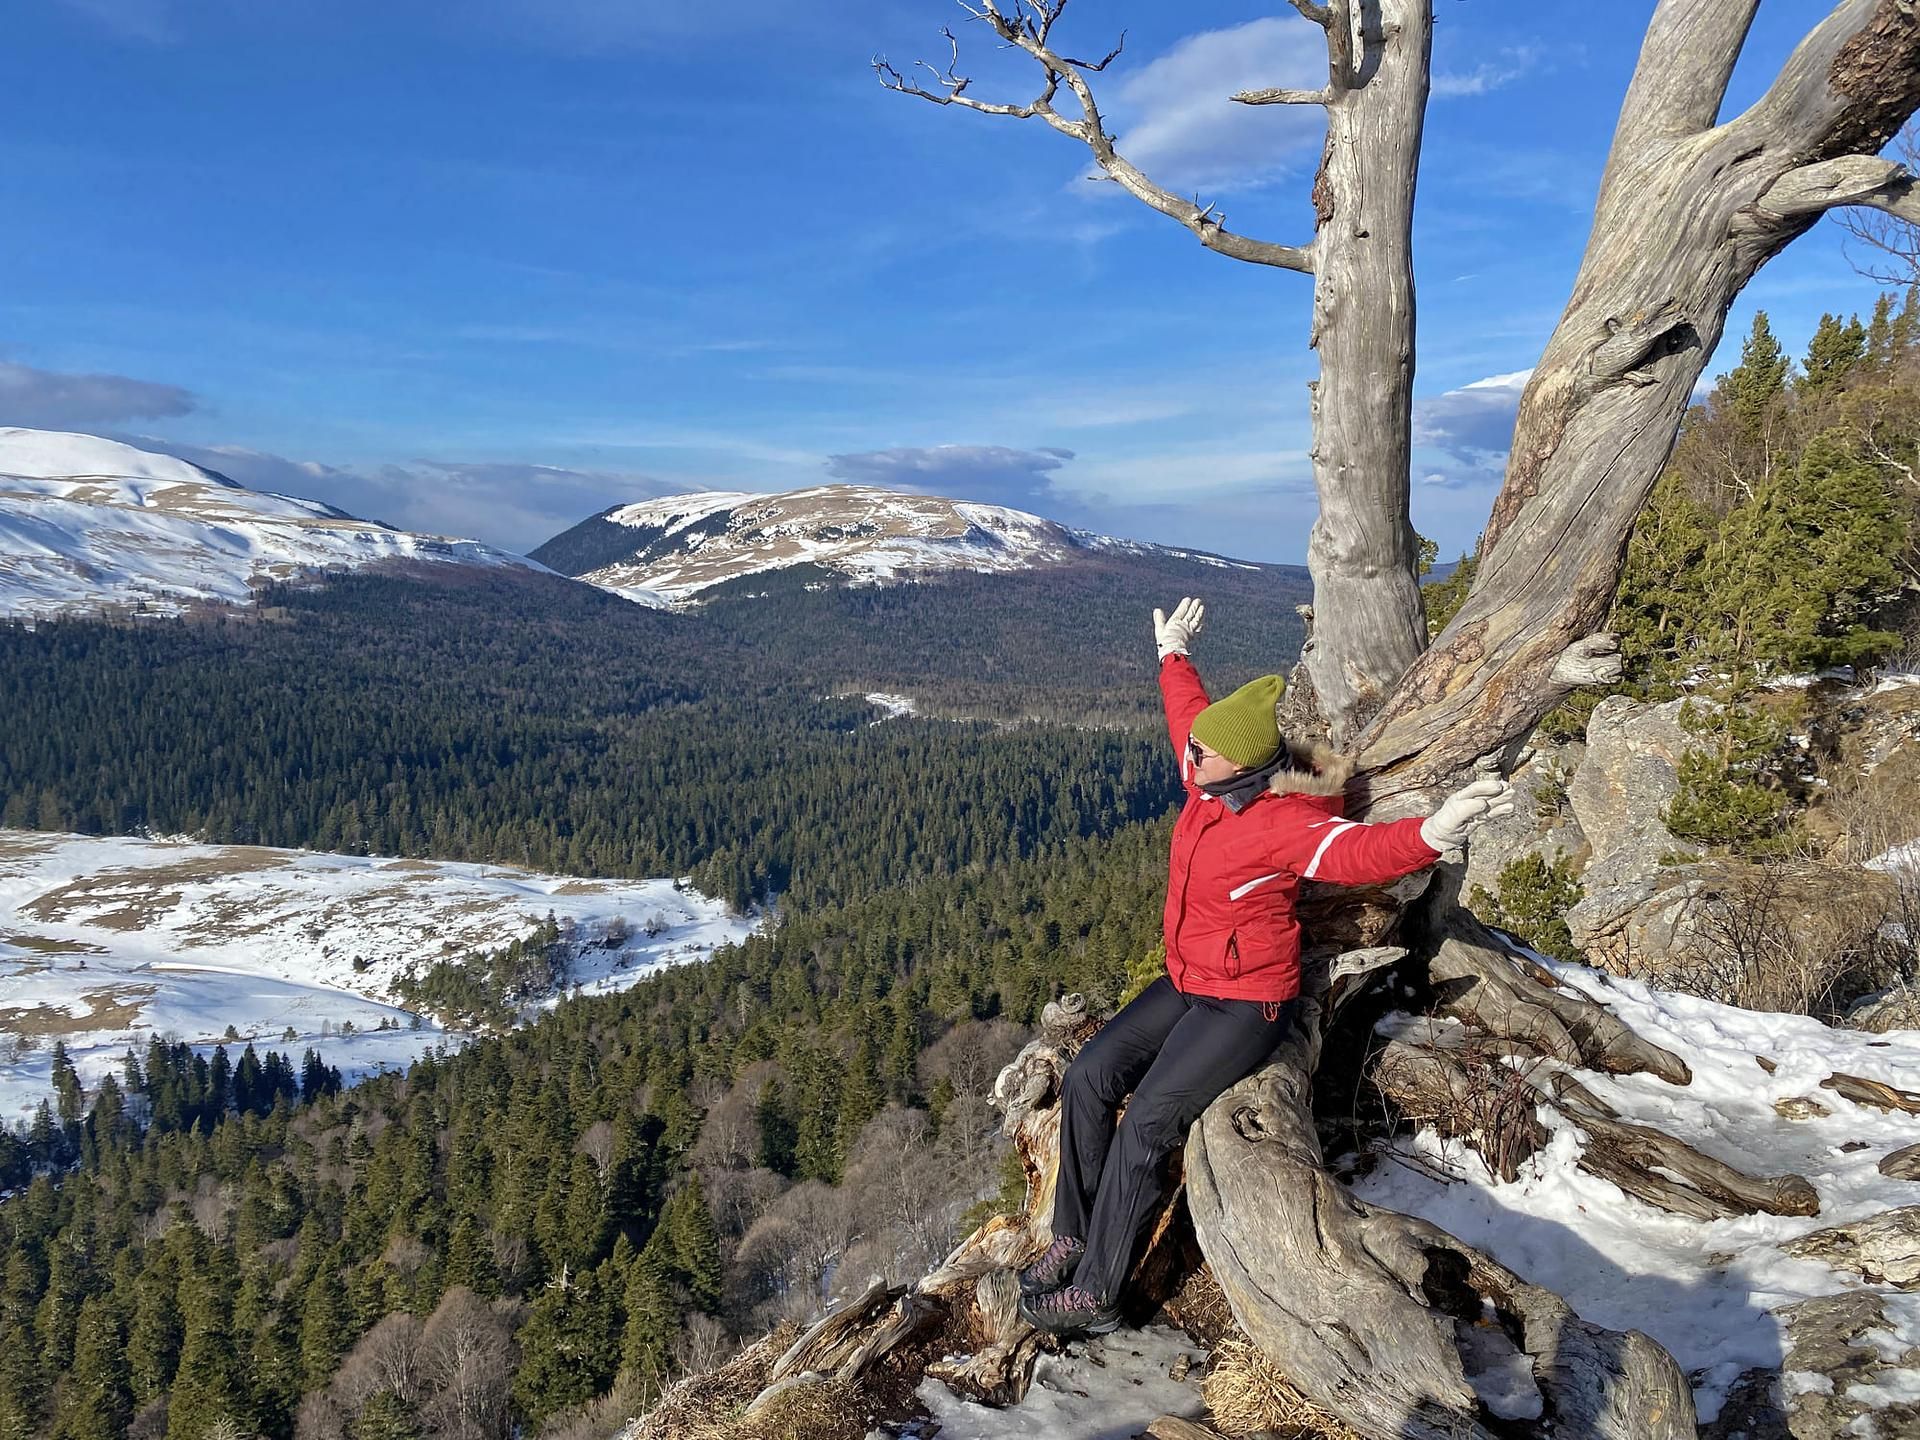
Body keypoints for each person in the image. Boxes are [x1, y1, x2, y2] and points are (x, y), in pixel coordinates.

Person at [1016, 596, 1514, 1336]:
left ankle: (1097, 1293)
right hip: (1189, 980)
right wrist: (1173, 655)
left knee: (1148, 1122)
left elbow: (1355, 855)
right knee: (1090, 1073)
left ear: (1242, 765)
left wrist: (1434, 832)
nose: (1186, 755)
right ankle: (1072, 1234)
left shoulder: (1284, 821)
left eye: (1201, 754)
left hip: (1247, 1003)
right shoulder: (1212, 773)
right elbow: (1190, 717)